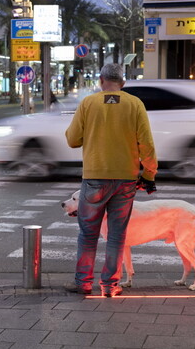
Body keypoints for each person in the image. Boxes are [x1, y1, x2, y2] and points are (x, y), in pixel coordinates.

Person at [64, 63, 158, 297]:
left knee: (88, 234)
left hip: (95, 178)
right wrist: (149, 175)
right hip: (126, 179)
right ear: (123, 83)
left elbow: (73, 140)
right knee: (117, 235)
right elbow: (146, 143)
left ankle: (83, 283)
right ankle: (110, 285)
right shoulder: (135, 104)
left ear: (100, 80)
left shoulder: (88, 103)